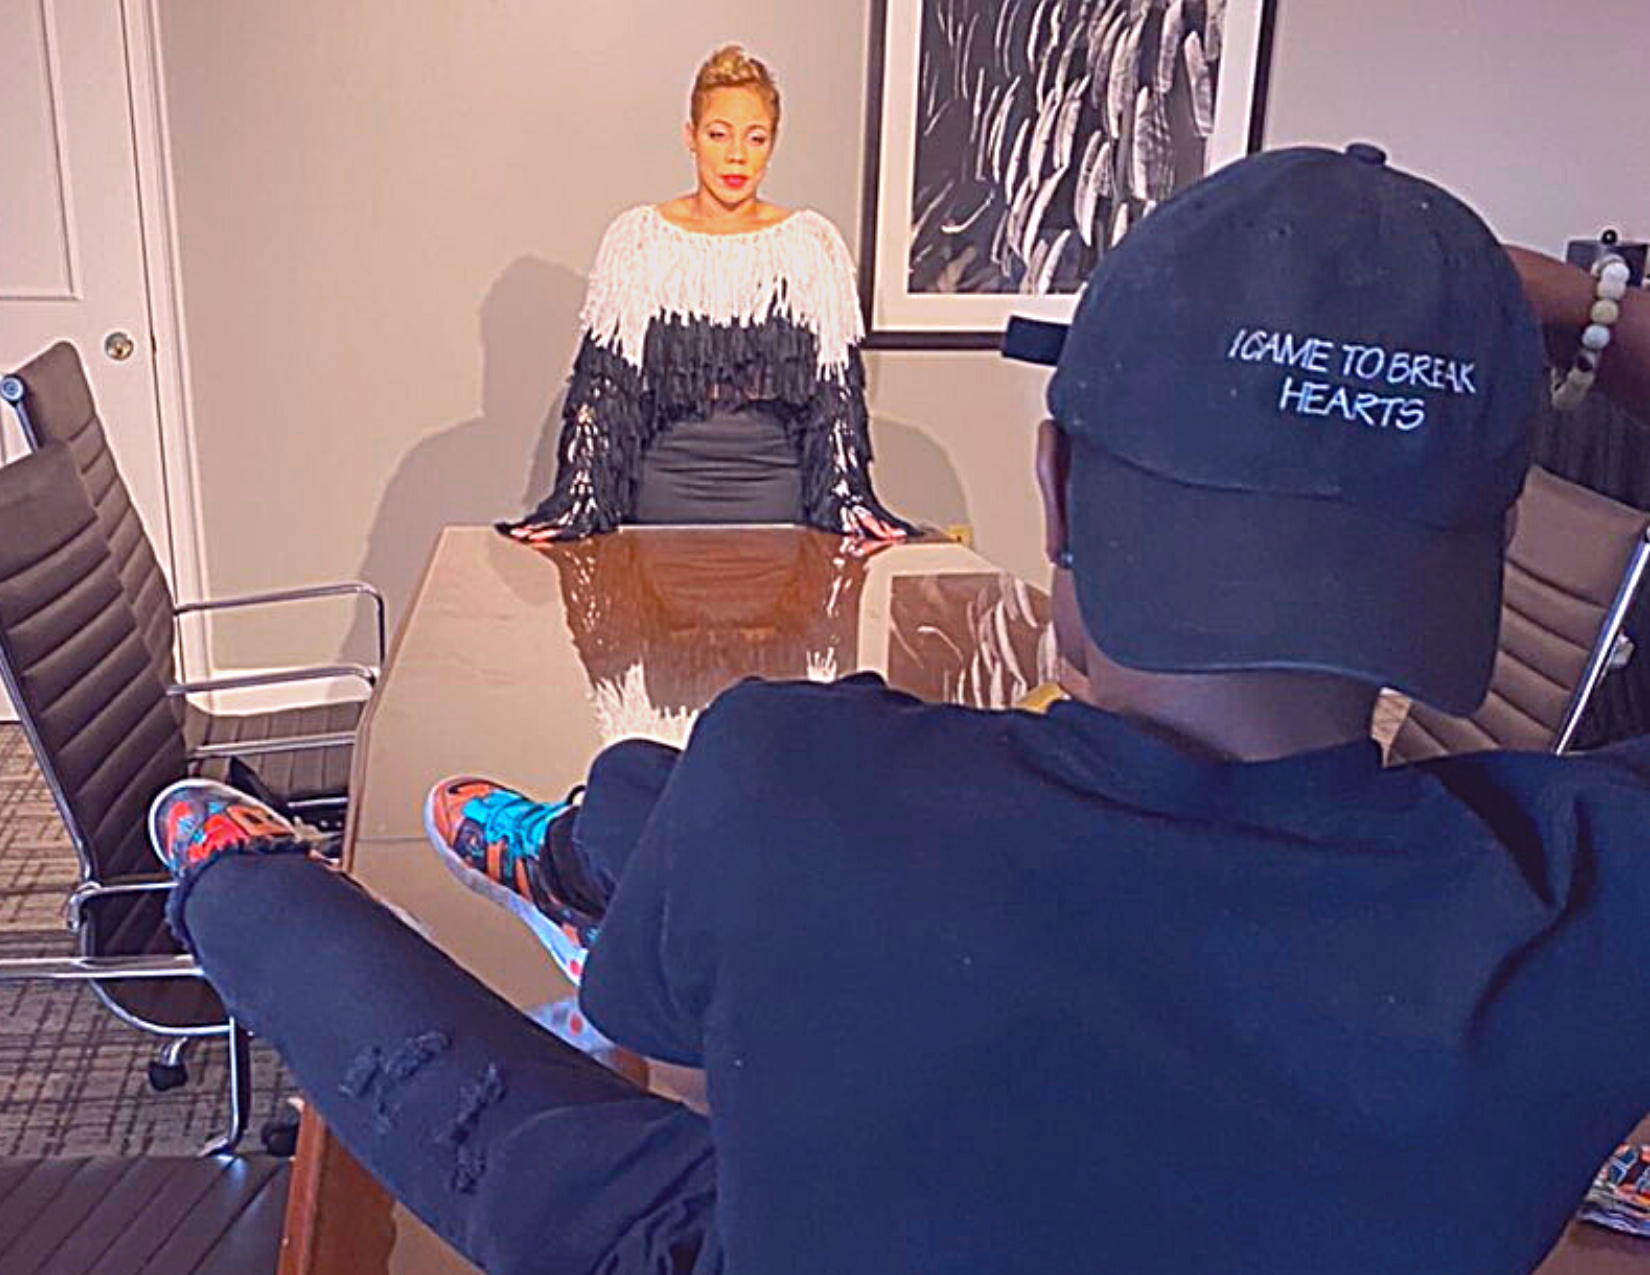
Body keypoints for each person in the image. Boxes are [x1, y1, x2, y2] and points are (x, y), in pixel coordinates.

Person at [146, 144, 1650, 1275]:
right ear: (1489, 540)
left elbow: (648, 1027)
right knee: (702, 830)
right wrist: (1581, 317)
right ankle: (568, 852)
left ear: (1054, 487)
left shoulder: (806, 774)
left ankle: (250, 879)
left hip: (793, 1208)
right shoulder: (1595, 903)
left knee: (526, 1131)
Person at [502, 45, 909, 543]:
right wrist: (580, 497)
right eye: (719, 134)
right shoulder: (640, 241)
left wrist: (849, 499)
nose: (737, 155)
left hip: (775, 498)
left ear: (773, 144)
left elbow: (834, 399)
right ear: (690, 137)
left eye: (755, 138)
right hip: (664, 495)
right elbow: (604, 389)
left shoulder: (810, 247)